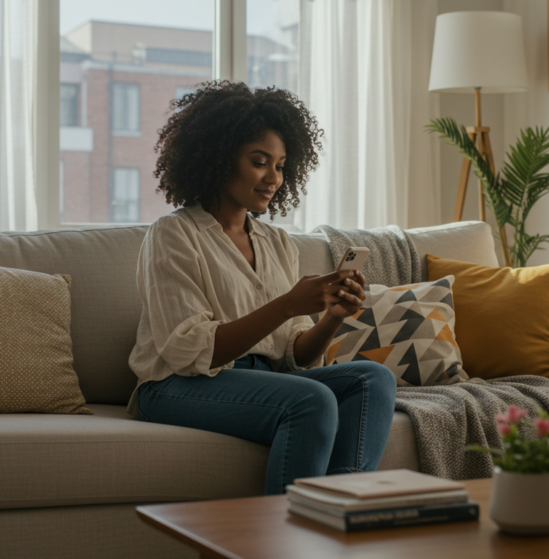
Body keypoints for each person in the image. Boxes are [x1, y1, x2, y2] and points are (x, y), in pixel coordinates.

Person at [127, 81, 397, 495]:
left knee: (372, 379)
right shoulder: (174, 234)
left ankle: (338, 512)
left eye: (281, 165)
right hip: (175, 386)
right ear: (218, 158)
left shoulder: (277, 242)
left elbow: (294, 354)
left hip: (264, 380)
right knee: (311, 400)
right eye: (260, 162)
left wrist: (331, 318)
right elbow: (187, 351)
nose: (273, 177)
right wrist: (287, 305)